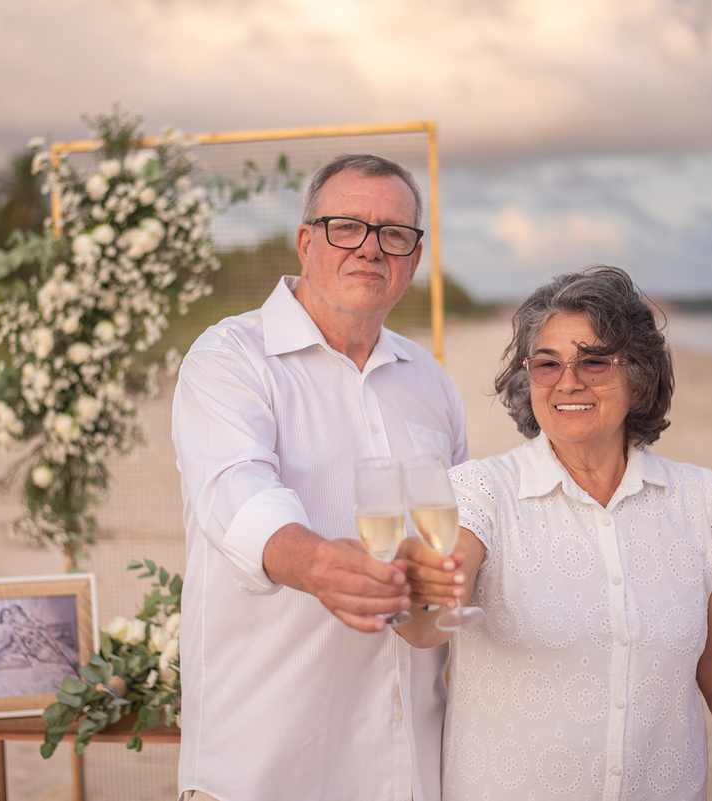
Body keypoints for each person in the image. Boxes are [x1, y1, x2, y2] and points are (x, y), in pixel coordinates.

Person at [397, 266, 712, 800]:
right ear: (528, 378)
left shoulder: (701, 500)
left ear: (638, 375)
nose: (568, 382)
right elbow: (428, 621)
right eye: (547, 363)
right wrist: (422, 587)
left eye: (594, 361)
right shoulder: (480, 491)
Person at [172, 154, 468, 801]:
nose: (371, 247)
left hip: (408, 772)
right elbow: (235, 493)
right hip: (264, 766)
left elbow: (457, 533)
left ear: (414, 259)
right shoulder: (229, 358)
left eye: (393, 233)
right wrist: (316, 564)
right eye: (347, 227)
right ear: (307, 242)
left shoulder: (431, 382)